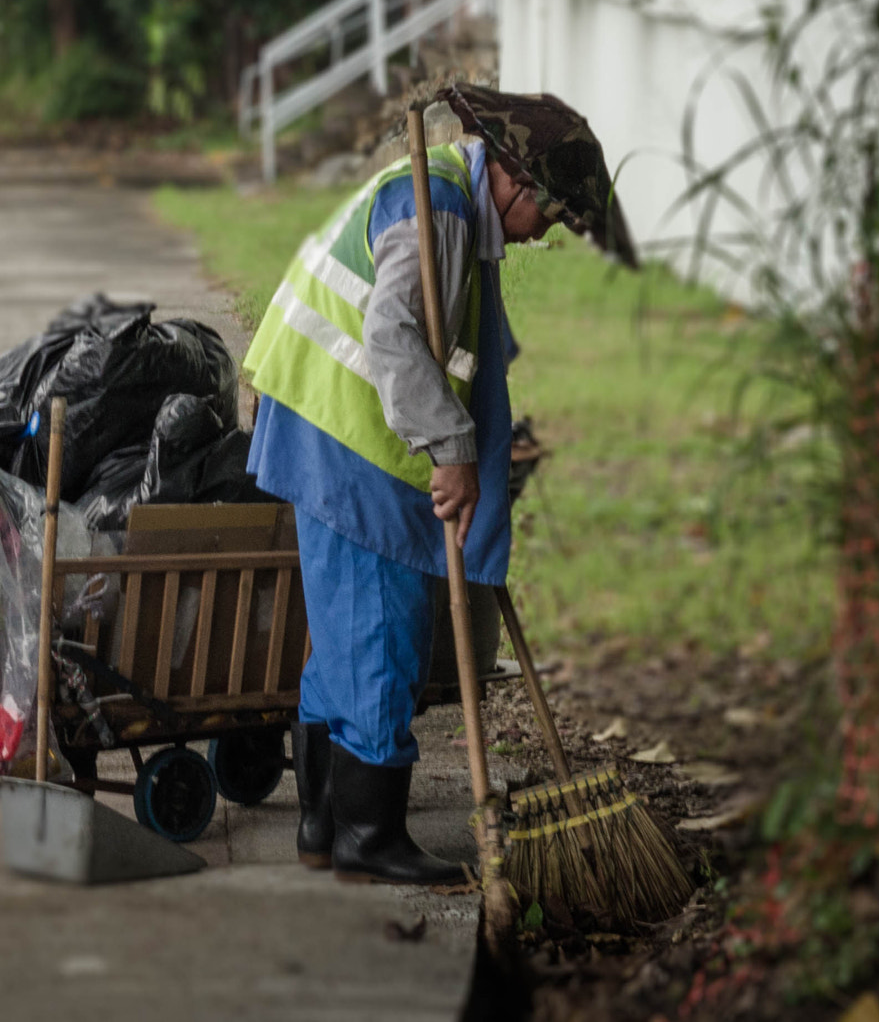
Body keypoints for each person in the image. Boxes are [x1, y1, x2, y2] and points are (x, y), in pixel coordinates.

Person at [242, 83, 636, 885]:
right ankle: (368, 836)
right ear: (515, 181)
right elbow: (391, 334)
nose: (542, 235)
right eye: (551, 216)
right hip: (347, 433)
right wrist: (454, 447)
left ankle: (323, 825)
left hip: (323, 419)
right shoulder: (441, 212)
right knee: (378, 629)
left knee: (344, 634)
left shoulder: (451, 194)